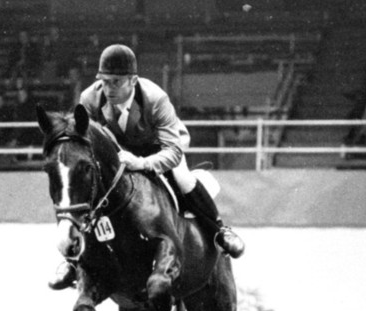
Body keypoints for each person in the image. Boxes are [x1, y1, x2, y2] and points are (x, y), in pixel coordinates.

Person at [48, 44, 244, 290]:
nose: (108, 89)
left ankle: (219, 231)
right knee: (92, 191)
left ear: (133, 80)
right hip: (118, 152)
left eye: (116, 82)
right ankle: (74, 261)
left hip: (159, 147)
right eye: (104, 81)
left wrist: (143, 163)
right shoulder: (90, 98)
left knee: (182, 178)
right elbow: (83, 139)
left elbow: (172, 151)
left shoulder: (155, 98)